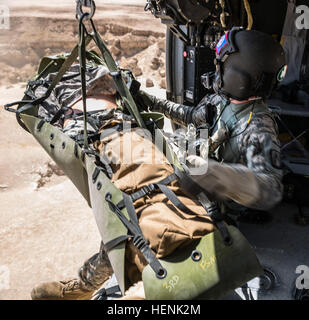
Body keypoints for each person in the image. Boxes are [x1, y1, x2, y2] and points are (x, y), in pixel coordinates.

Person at [31, 28, 286, 300]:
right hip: (191, 167)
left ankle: (83, 287)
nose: (218, 71)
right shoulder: (223, 101)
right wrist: (145, 99)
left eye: (223, 67)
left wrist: (212, 175)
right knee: (126, 154)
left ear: (240, 77)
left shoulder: (258, 126)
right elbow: (191, 116)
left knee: (132, 218)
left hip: (213, 196)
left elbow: (270, 188)